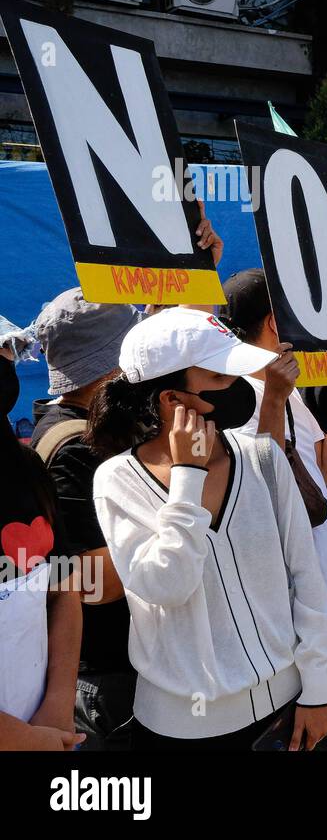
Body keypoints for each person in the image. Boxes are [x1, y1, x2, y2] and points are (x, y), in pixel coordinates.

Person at [86, 309, 327, 749]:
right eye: (220, 377)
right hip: (183, 727)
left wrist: (319, 687)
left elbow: (306, 578)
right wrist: (187, 478)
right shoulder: (117, 480)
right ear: (172, 400)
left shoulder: (263, 458)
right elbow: (166, 585)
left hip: (286, 707)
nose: (239, 387)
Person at [220, 268, 327, 751]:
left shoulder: (284, 390)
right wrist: (273, 397)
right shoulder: (238, 396)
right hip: (288, 593)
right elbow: (261, 485)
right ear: (275, 321)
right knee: (309, 729)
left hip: (322, 582)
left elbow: (324, 466)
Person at [28, 289, 140, 750]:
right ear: (115, 367)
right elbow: (95, 584)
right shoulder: (75, 447)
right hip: (104, 673)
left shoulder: (82, 431)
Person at [0, 349, 84, 751]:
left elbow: (65, 589)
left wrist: (58, 702)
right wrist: (26, 739)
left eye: (6, 357)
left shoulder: (26, 467)